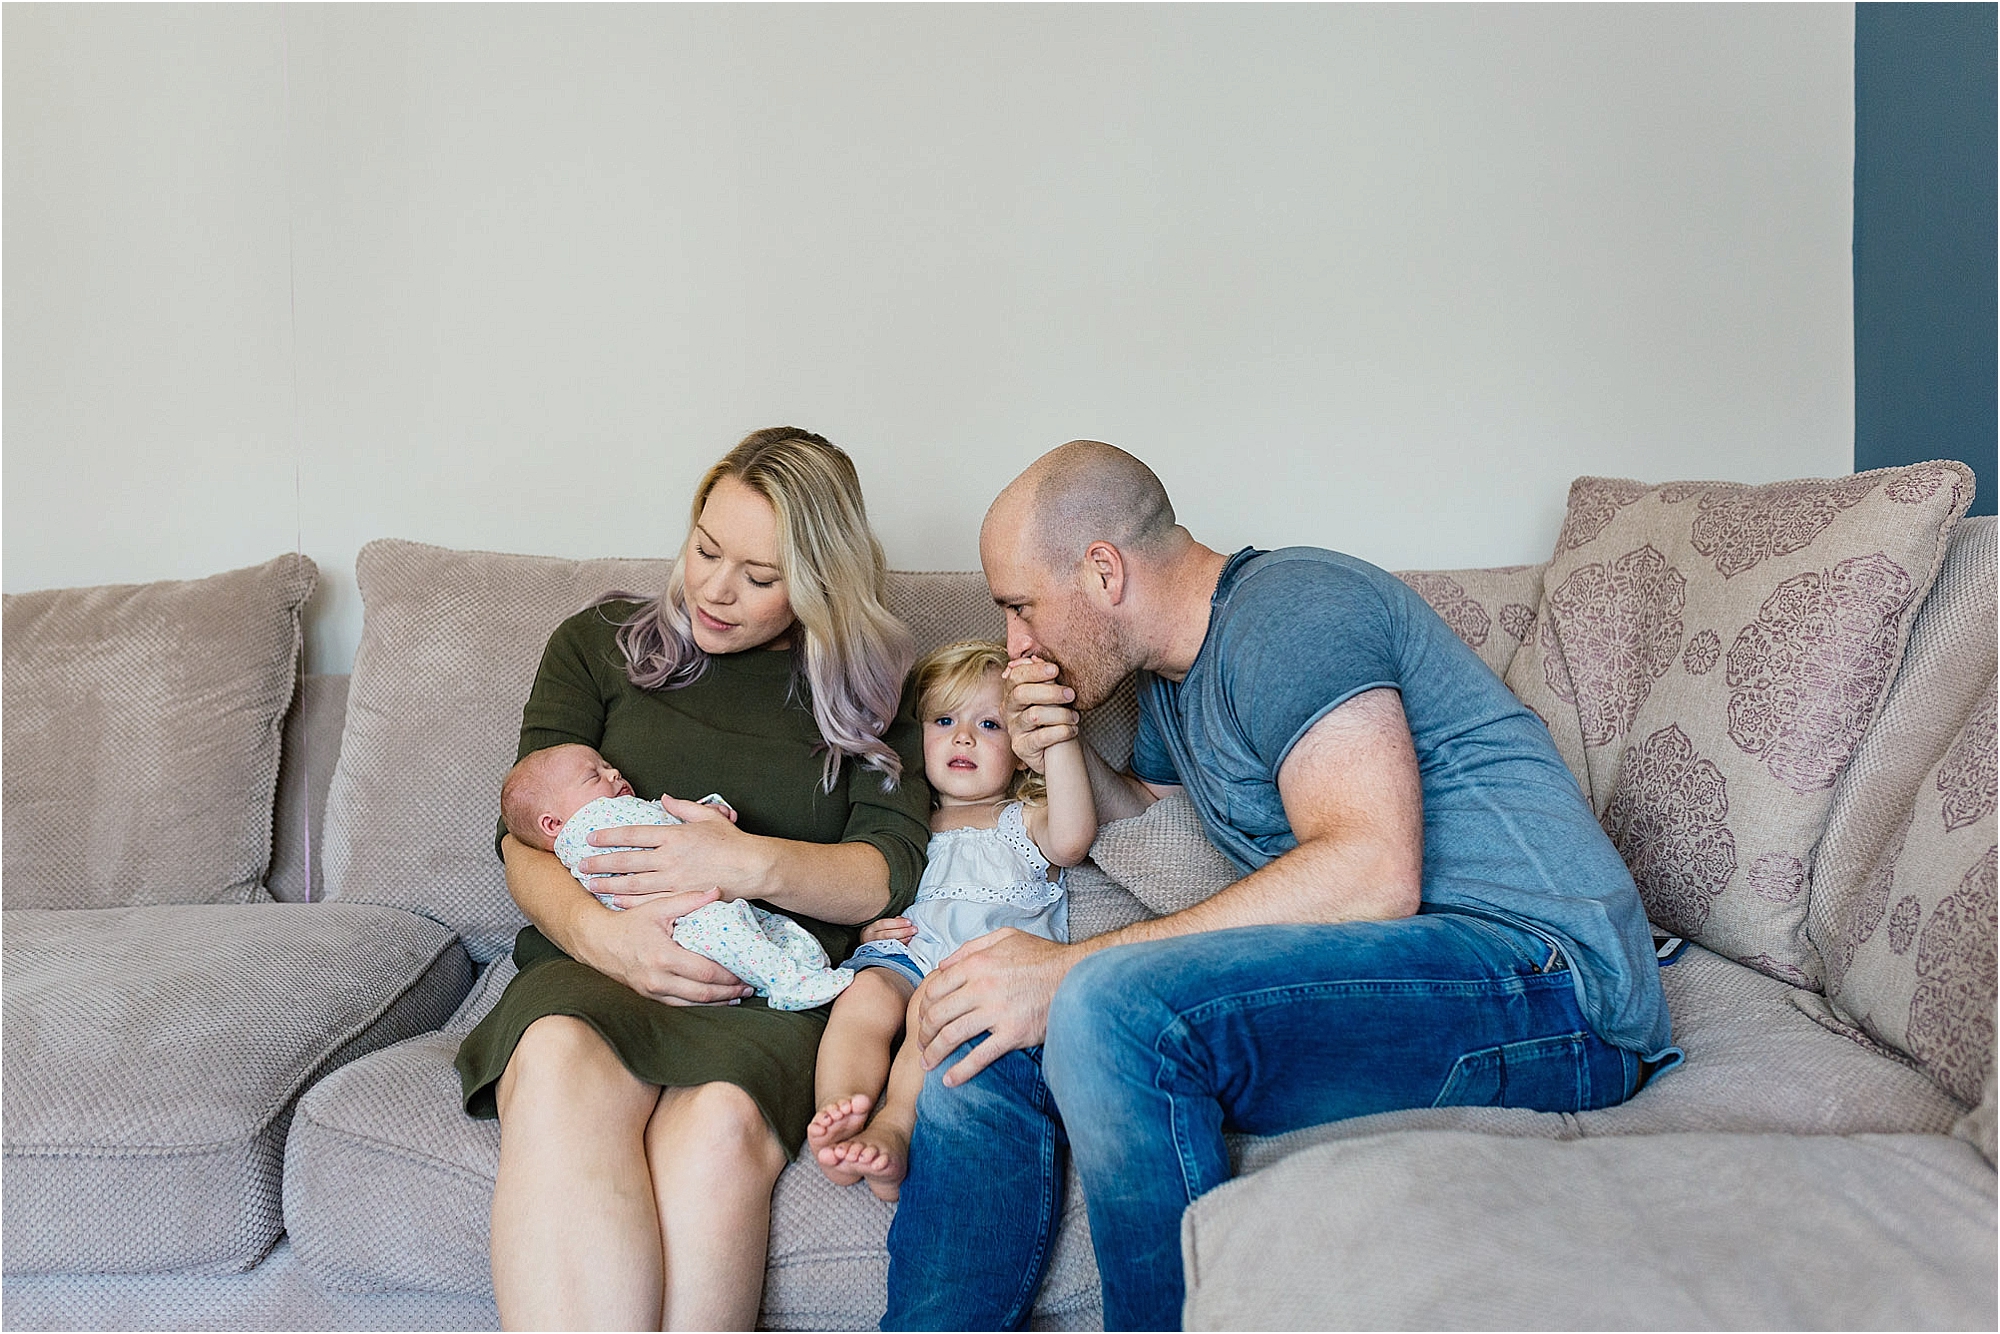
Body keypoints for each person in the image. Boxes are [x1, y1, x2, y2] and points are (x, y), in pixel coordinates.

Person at [883, 440, 1679, 1331]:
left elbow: (1371, 872)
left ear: (1104, 571)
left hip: (1555, 979)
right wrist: (1068, 751)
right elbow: (1165, 837)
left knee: (1105, 1004)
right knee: (982, 1031)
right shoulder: (1172, 685)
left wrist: (1065, 972)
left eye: (1020, 608)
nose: (1015, 645)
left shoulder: (1292, 609)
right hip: (1394, 972)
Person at [453, 427, 931, 1331]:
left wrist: (740, 860)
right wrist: (606, 940)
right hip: (593, 963)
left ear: (822, 583)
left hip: (770, 985)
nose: (715, 589)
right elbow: (524, 840)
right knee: (557, 1067)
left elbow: (887, 873)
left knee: (716, 1131)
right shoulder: (596, 644)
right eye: (706, 550)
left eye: (760, 575)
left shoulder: (878, 693)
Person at [805, 640, 1096, 1201]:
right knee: (864, 995)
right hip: (908, 953)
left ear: (1021, 749)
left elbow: (1073, 837)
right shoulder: (906, 825)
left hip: (985, 974)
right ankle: (838, 1114)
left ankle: (896, 1124)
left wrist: (1054, 737)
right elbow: (873, 890)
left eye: (989, 724)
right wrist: (870, 930)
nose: (963, 737)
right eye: (944, 720)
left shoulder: (1025, 820)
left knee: (930, 1003)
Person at [498, 743, 853, 1011]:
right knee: (733, 935)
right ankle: (790, 984)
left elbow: (663, 826)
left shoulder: (625, 812)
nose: (614, 774)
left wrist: (705, 815)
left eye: (608, 766)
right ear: (553, 824)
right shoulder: (584, 832)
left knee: (763, 929)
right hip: (678, 923)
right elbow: (662, 827)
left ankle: (806, 965)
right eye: (594, 776)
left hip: (711, 906)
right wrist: (695, 822)